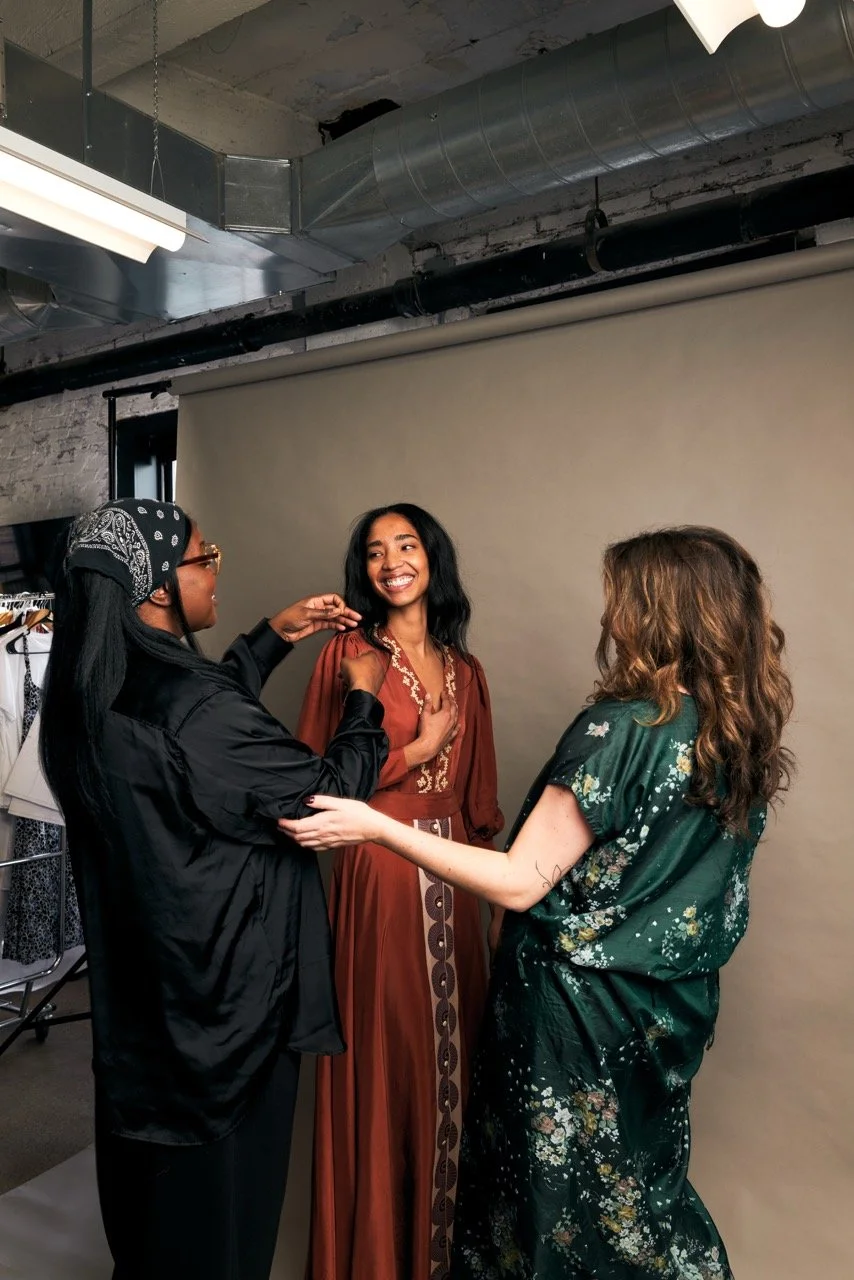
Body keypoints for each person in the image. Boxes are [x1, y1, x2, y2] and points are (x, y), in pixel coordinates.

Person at [283, 526, 795, 1280]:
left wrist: (373, 825)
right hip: (667, 1015)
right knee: (636, 1200)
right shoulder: (735, 729)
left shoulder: (621, 726)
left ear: (658, 612)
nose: (608, 617)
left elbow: (523, 878)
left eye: (622, 599)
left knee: (553, 1214)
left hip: (576, 1019)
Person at [38, 498, 388, 1280]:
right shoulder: (196, 710)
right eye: (206, 558)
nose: (215, 569)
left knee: (155, 1232)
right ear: (159, 587)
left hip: (145, 1023)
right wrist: (363, 698)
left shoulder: (89, 691)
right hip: (226, 1022)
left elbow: (196, 751)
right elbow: (326, 797)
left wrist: (271, 638)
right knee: (223, 1238)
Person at [296, 503, 504, 1280]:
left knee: (459, 1066)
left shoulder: (467, 668)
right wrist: (417, 748)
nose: (391, 562)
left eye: (406, 545)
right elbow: (312, 781)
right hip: (380, 883)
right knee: (391, 1071)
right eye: (376, 551)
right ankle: (382, 1261)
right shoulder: (348, 656)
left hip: (464, 883)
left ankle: (445, 1257)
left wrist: (496, 917)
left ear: (432, 558)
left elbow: (481, 801)